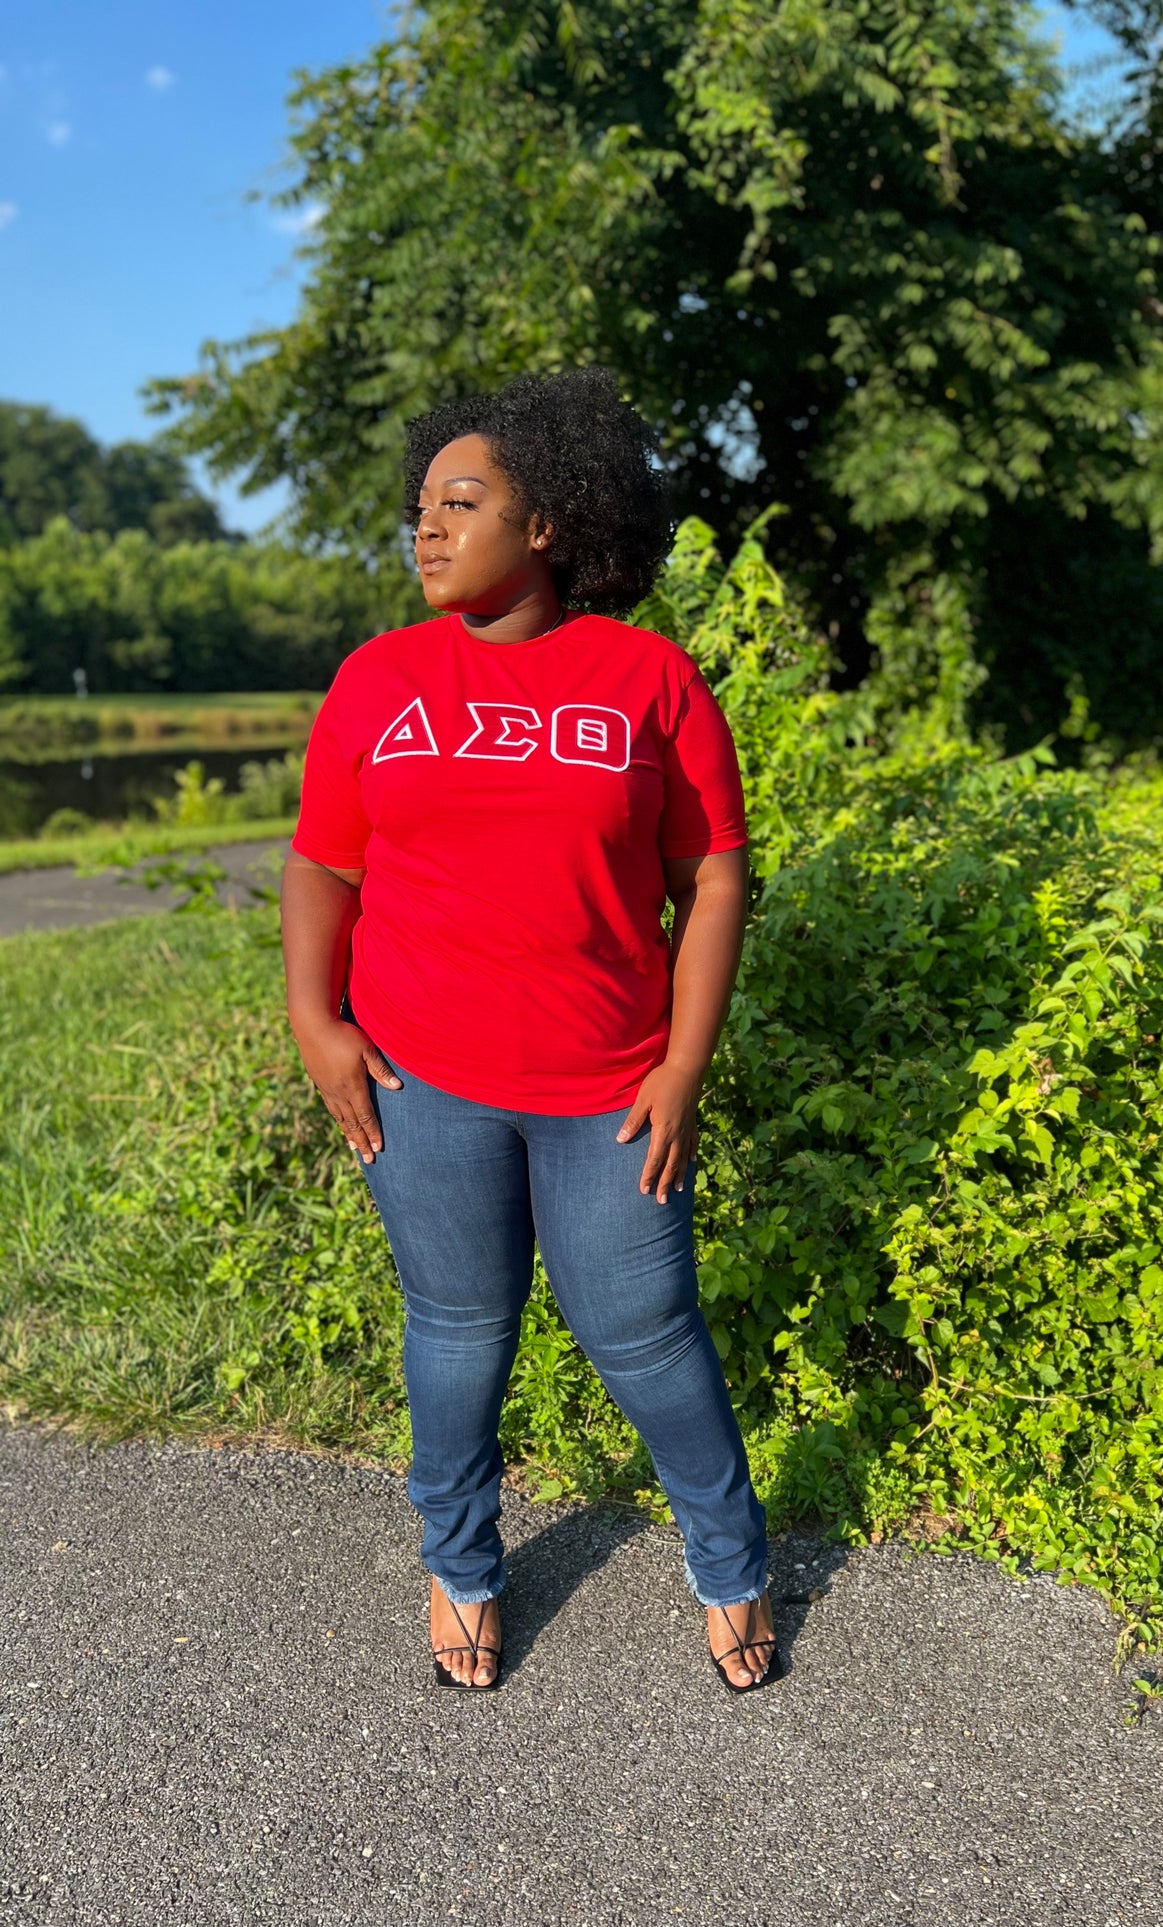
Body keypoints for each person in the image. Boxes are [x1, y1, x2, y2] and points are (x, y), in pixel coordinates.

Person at [279, 366, 775, 1694]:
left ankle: (728, 1564)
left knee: (648, 1334)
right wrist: (314, 1021)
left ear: (546, 520)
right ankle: (461, 1565)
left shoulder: (647, 677)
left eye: (461, 500)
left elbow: (714, 872)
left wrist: (683, 1064)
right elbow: (325, 864)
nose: (425, 529)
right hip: (423, 1079)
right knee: (455, 1334)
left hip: (609, 1087)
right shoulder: (380, 679)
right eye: (420, 506)